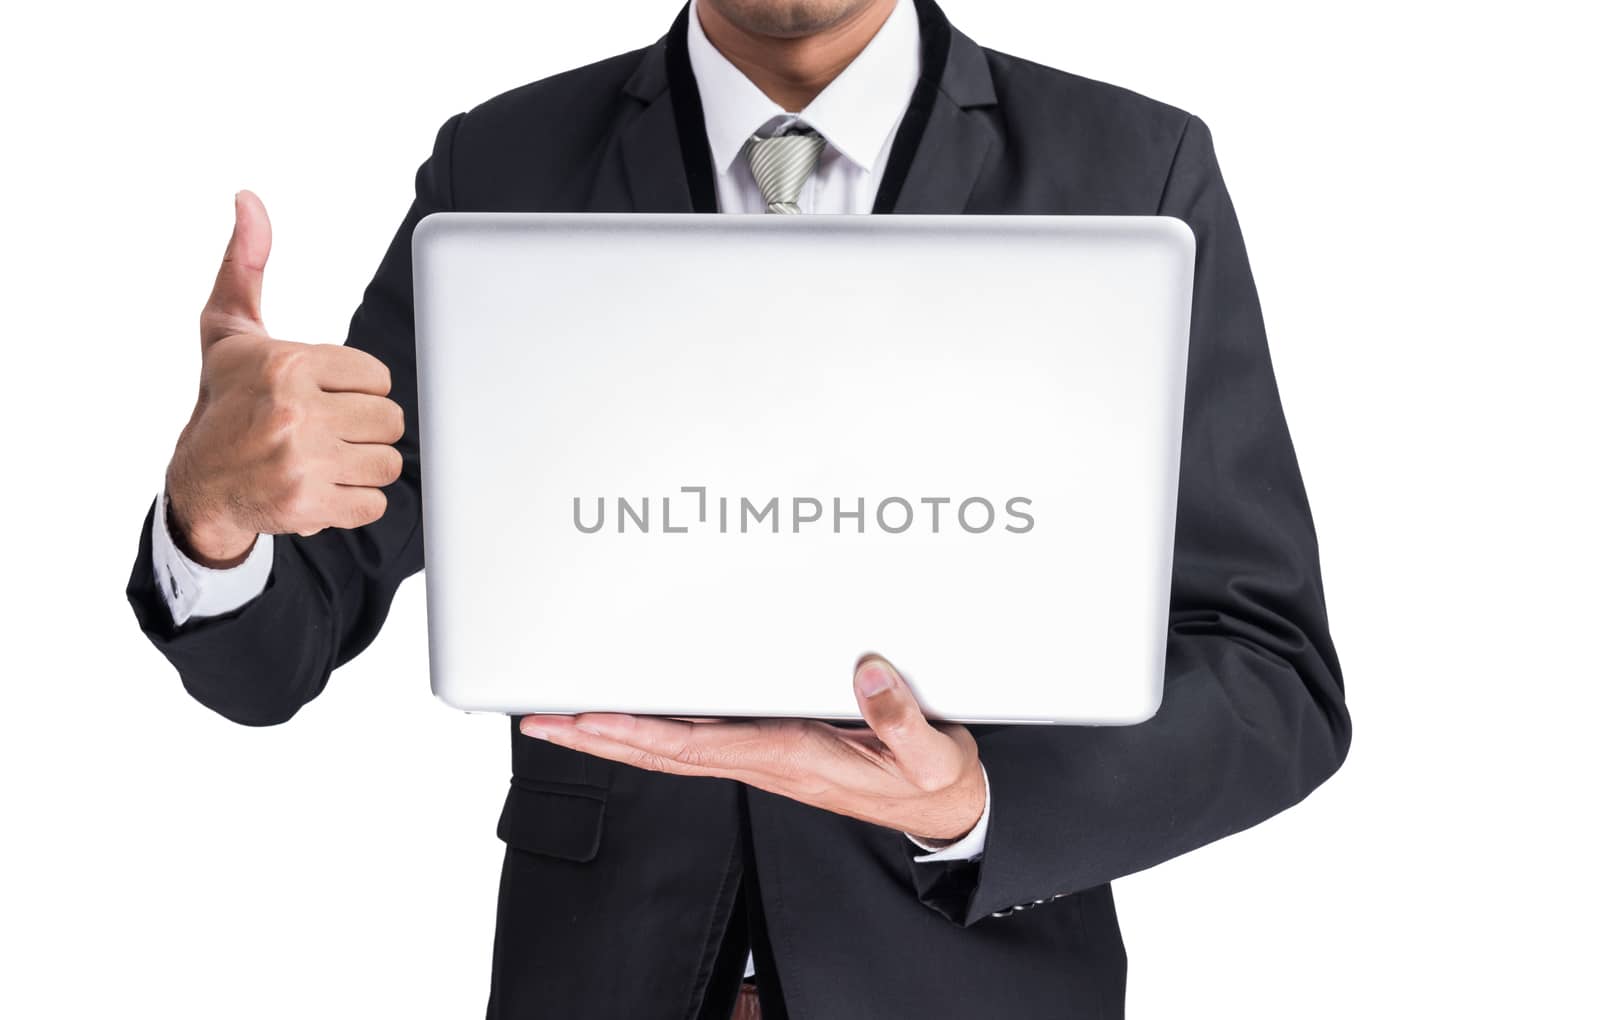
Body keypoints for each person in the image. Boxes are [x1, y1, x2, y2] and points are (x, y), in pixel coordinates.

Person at [126, 0, 1352, 1016]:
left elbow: (1272, 675)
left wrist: (980, 805)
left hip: (968, 982)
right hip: (601, 978)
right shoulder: (501, 165)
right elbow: (274, 654)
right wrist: (214, 515)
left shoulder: (1131, 171)